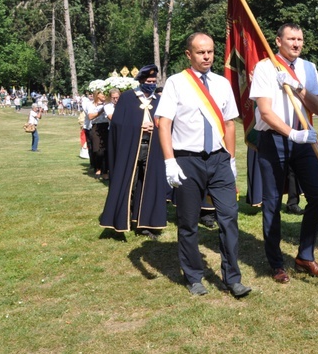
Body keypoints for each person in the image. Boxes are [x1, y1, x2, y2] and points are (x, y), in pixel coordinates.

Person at [156, 33, 250, 298]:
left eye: (210, 52)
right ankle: (194, 276)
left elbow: (230, 123)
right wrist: (170, 161)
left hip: (219, 159)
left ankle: (232, 277)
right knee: (188, 222)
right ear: (189, 54)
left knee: (229, 218)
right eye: (201, 52)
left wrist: (230, 159)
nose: (207, 57)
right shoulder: (176, 83)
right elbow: (164, 123)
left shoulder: (222, 83)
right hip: (187, 160)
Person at [249, 23, 318, 283]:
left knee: (317, 195)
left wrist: (297, 87)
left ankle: (305, 255)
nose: (296, 44)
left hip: (303, 139)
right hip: (274, 139)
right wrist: (290, 133)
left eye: (300, 39)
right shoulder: (265, 67)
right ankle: (276, 264)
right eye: (291, 39)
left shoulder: (308, 68)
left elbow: (317, 108)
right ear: (278, 41)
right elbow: (265, 112)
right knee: (272, 203)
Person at [100, 66, 168, 238]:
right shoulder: (128, 98)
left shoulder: (159, 100)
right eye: (148, 82)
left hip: (152, 147)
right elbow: (117, 124)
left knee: (149, 183)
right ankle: (120, 220)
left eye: (154, 82)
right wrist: (139, 127)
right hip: (130, 147)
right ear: (141, 81)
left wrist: (156, 126)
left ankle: (147, 223)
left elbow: (167, 122)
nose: (151, 85)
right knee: (127, 182)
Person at [87, 89, 110, 180]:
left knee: (106, 150)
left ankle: (105, 171)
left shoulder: (108, 104)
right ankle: (98, 168)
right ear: (97, 95)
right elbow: (90, 116)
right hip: (96, 127)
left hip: (106, 127)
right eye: (102, 94)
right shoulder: (92, 105)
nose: (104, 95)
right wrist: (101, 110)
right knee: (97, 150)